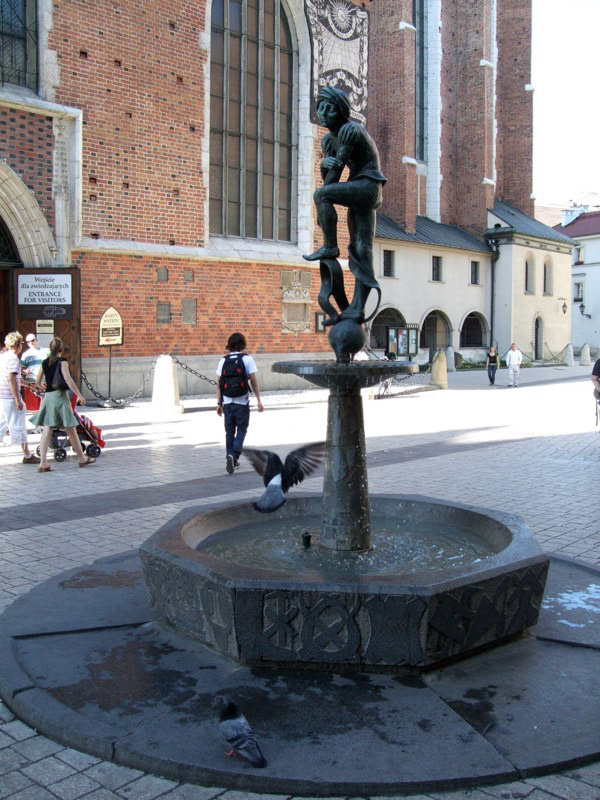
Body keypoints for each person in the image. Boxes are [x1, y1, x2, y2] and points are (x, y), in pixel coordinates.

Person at [303, 85, 386, 323]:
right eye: (321, 108)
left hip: (368, 186)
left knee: (323, 196)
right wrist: (323, 202)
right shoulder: (329, 140)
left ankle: (330, 247)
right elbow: (331, 180)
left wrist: (323, 198)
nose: (324, 113)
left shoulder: (351, 129)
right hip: (357, 188)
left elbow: (335, 171)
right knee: (361, 249)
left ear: (341, 110)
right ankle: (355, 308)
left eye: (329, 108)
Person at [31, 336, 95, 472]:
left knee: (47, 429)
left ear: (50, 349)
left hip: (48, 398)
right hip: (60, 397)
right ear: (61, 349)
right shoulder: (62, 362)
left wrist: (45, 389)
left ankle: (43, 463)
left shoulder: (44, 362)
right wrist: (79, 394)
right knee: (70, 428)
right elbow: (68, 379)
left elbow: (37, 382)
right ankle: (82, 459)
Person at [216, 332, 264, 475]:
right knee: (241, 430)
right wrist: (259, 400)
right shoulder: (247, 359)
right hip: (242, 402)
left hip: (227, 401)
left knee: (229, 431)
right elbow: (253, 381)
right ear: (243, 344)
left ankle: (230, 458)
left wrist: (219, 403)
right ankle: (234, 455)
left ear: (229, 345)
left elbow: (218, 383)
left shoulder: (223, 360)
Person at [0, 332, 40, 463]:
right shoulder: (13, 358)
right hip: (10, 398)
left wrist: (28, 384)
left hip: (3, 396)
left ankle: (27, 454)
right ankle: (27, 455)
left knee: (1, 425)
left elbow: (15, 378)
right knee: (19, 425)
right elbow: (11, 378)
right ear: (18, 345)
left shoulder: (4, 357)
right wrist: (17, 399)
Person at [21, 333, 48, 416]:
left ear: (37, 340)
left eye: (33, 340)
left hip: (44, 381)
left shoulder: (46, 351)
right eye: (28, 342)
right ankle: (37, 426)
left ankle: (44, 425)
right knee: (34, 408)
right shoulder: (25, 355)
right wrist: (25, 372)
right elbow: (21, 369)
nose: (31, 343)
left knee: (45, 406)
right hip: (31, 382)